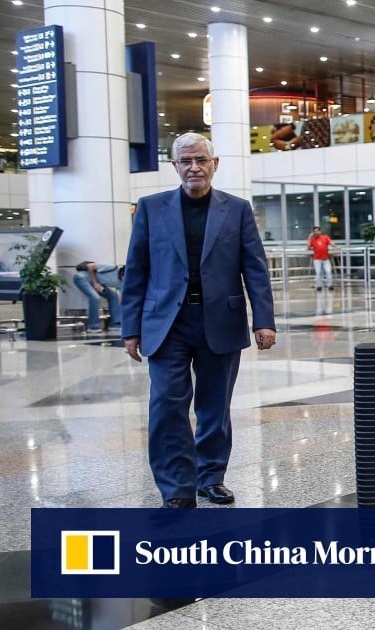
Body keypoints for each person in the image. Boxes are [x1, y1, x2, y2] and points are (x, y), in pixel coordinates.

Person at [121, 132, 276, 508]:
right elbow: (137, 269)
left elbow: (254, 268)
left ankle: (210, 477)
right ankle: (176, 488)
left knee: (214, 407)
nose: (194, 168)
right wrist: (131, 328)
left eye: (201, 160)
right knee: (167, 406)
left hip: (219, 320)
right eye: (186, 161)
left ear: (215, 163)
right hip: (166, 324)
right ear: (174, 166)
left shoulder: (236, 209)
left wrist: (264, 320)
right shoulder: (150, 207)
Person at [73, 261, 123, 333]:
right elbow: (90, 266)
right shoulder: (112, 268)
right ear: (122, 273)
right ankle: (93, 327)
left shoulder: (123, 283)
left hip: (98, 283)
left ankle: (115, 324)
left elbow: (121, 298)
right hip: (82, 278)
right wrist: (95, 282)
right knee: (95, 298)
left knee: (114, 297)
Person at [307, 226, 341, 291]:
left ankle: (330, 285)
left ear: (320, 231)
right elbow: (308, 247)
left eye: (317, 231)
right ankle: (319, 286)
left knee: (328, 271)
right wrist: (309, 238)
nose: (316, 232)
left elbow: (331, 243)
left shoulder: (325, 237)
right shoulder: (312, 240)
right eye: (314, 231)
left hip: (325, 259)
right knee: (318, 273)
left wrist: (336, 247)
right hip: (317, 259)